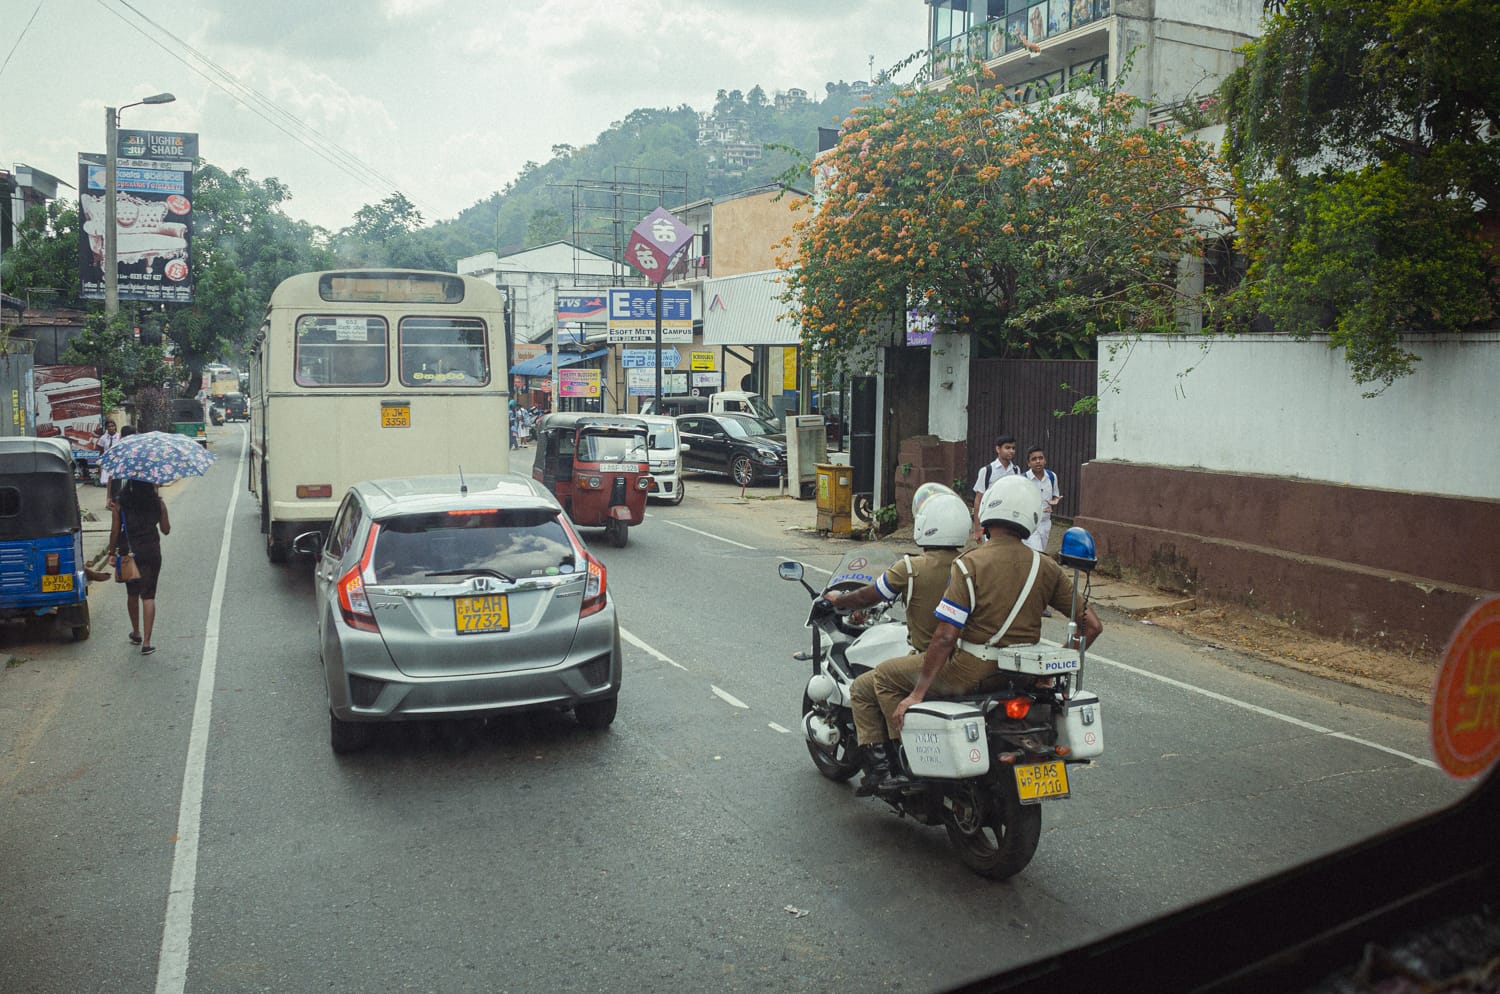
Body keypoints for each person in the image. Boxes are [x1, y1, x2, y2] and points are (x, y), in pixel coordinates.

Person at [877, 474, 1104, 740]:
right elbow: (1093, 626)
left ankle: (898, 761)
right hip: (1021, 676)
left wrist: (918, 693)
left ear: (987, 512)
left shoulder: (969, 563)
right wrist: (1054, 668)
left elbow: (946, 636)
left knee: (883, 676)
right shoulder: (1046, 567)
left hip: (971, 672)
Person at [822, 488, 972, 795]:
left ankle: (883, 768)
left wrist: (840, 600)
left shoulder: (910, 568)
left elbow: (869, 595)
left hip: (928, 659)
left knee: (864, 687)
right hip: (966, 660)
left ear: (923, 525)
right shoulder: (972, 566)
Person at [107, 478, 171, 655]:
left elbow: (114, 531)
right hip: (151, 552)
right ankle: (147, 643)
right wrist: (161, 512)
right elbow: (166, 529)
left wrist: (111, 552)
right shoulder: (157, 503)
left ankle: (136, 632)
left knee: (132, 593)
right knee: (148, 596)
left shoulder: (120, 505)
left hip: (129, 553)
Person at [971, 434, 1021, 537]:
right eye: (1007, 448)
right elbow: (978, 500)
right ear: (998, 449)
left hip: (1010, 519)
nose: (1011, 451)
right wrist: (977, 528)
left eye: (1013, 448)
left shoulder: (1016, 470)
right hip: (991, 520)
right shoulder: (987, 471)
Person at [1021, 445, 1061, 554]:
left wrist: (1055, 501)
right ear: (1028, 463)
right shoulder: (1023, 480)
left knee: (1040, 553)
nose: (1038, 461)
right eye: (1034, 459)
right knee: (1036, 553)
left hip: (1045, 523)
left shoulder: (1052, 476)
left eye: (1040, 458)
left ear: (1045, 460)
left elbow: (1055, 495)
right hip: (1029, 524)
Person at [96, 420, 120, 488]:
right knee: (107, 478)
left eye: (112, 426)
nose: (111, 428)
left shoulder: (119, 436)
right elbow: (100, 449)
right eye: (109, 426)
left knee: (115, 478)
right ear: (106, 428)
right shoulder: (103, 438)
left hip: (116, 459)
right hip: (106, 460)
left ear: (115, 427)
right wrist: (100, 461)